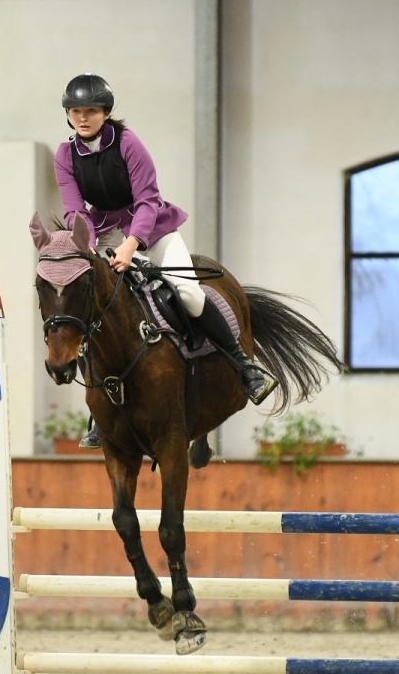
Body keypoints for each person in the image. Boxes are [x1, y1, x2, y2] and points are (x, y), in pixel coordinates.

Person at [54, 73, 276, 448]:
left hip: (151, 226)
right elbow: (75, 211)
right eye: (76, 111)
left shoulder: (128, 143)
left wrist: (131, 245)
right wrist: (89, 247)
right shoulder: (65, 155)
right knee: (90, 305)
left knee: (189, 294)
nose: (83, 118)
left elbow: (147, 199)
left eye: (90, 110)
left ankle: (245, 367)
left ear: (105, 112)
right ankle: (99, 409)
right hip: (104, 231)